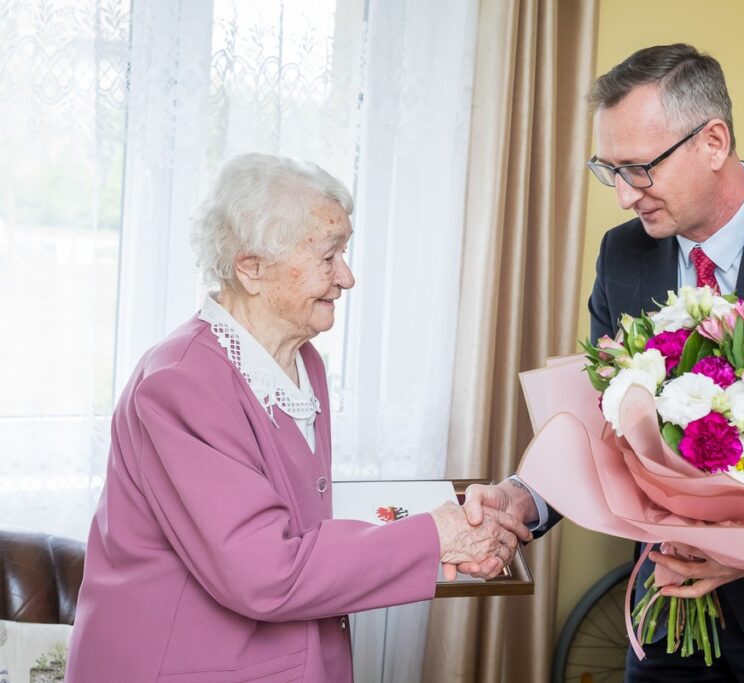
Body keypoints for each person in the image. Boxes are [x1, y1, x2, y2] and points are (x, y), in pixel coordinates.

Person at [464, 44, 744, 682]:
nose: (624, 197)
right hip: (667, 623)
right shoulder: (623, 256)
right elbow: (601, 430)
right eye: (610, 170)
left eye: (638, 169)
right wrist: (524, 501)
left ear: (713, 141)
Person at [66, 153, 529, 683]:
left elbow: (298, 522)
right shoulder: (181, 382)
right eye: (329, 256)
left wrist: (450, 530)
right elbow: (261, 570)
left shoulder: (301, 359)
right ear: (250, 266)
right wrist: (434, 537)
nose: (347, 277)